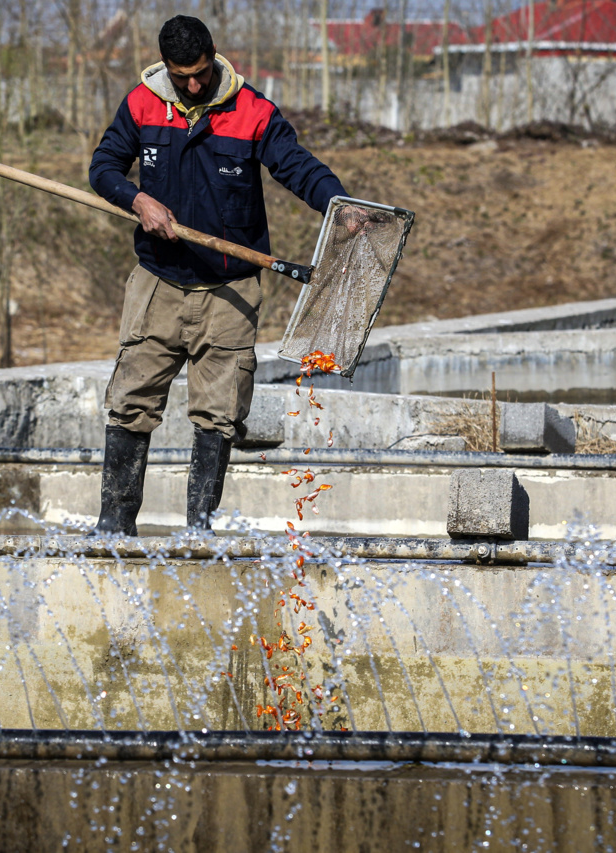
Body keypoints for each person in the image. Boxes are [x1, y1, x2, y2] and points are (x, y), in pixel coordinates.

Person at [89, 14, 351, 535]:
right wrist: (137, 199)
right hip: (156, 283)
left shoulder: (252, 109)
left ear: (214, 56)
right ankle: (113, 528)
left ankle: (198, 533)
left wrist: (338, 204)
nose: (193, 84)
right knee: (130, 404)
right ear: (167, 67)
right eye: (182, 75)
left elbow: (297, 165)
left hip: (230, 291)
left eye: (201, 72)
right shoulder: (143, 101)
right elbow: (103, 168)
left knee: (219, 414)